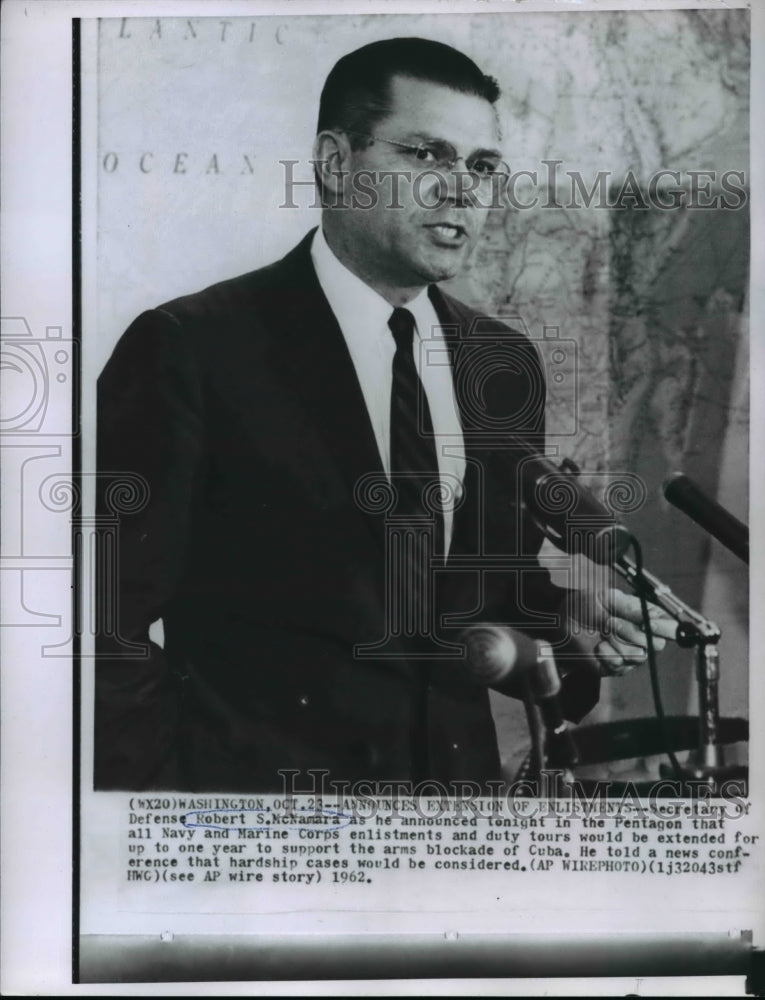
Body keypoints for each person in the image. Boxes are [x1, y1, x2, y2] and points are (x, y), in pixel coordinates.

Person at [95, 37, 676, 792]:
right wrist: (159, 820)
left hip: (447, 819)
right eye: (428, 156)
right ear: (336, 163)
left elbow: (466, 594)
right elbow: (107, 625)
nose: (461, 191)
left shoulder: (499, 364)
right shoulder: (191, 348)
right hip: (262, 834)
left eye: (481, 166)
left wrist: (567, 616)